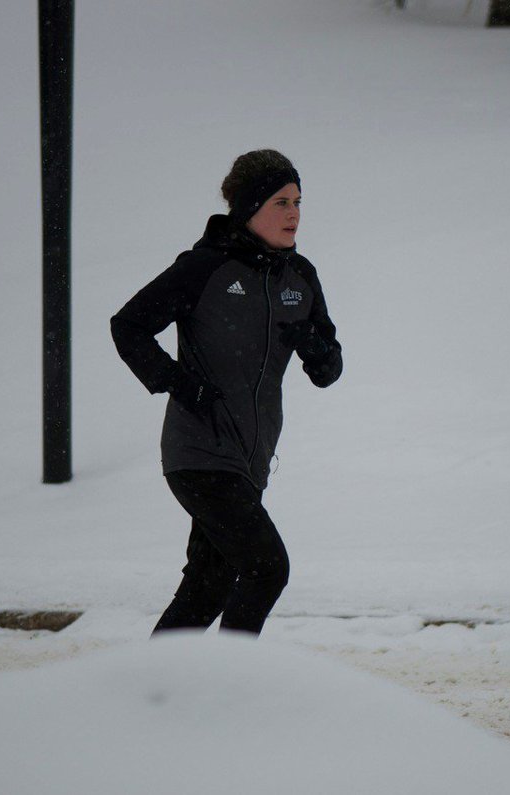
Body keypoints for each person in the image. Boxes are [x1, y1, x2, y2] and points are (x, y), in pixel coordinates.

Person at [110, 149, 342, 636]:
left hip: (250, 460)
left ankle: (156, 679)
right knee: (266, 567)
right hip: (199, 453)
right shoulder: (205, 268)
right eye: (281, 202)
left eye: (298, 202)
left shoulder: (299, 277)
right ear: (250, 207)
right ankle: (232, 676)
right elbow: (128, 325)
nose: (294, 214)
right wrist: (179, 383)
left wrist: (313, 344)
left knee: (209, 584)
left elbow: (328, 370)